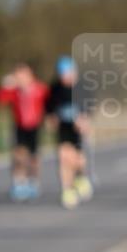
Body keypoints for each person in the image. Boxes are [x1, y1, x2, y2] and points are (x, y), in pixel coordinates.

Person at [0, 62, 49, 201]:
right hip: (20, 126)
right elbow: (0, 98)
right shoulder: (14, 91)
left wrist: (49, 117)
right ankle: (19, 182)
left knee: (33, 157)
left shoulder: (40, 88)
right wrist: (6, 84)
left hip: (35, 126)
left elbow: (50, 102)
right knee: (18, 155)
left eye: (23, 75)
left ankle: (34, 182)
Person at [47, 56, 93, 210]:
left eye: (68, 73)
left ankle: (80, 176)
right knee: (63, 157)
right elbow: (50, 107)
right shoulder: (55, 88)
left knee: (77, 160)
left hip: (77, 129)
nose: (65, 78)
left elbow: (88, 107)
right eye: (63, 74)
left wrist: (84, 120)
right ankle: (67, 190)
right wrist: (51, 118)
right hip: (63, 128)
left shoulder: (82, 88)